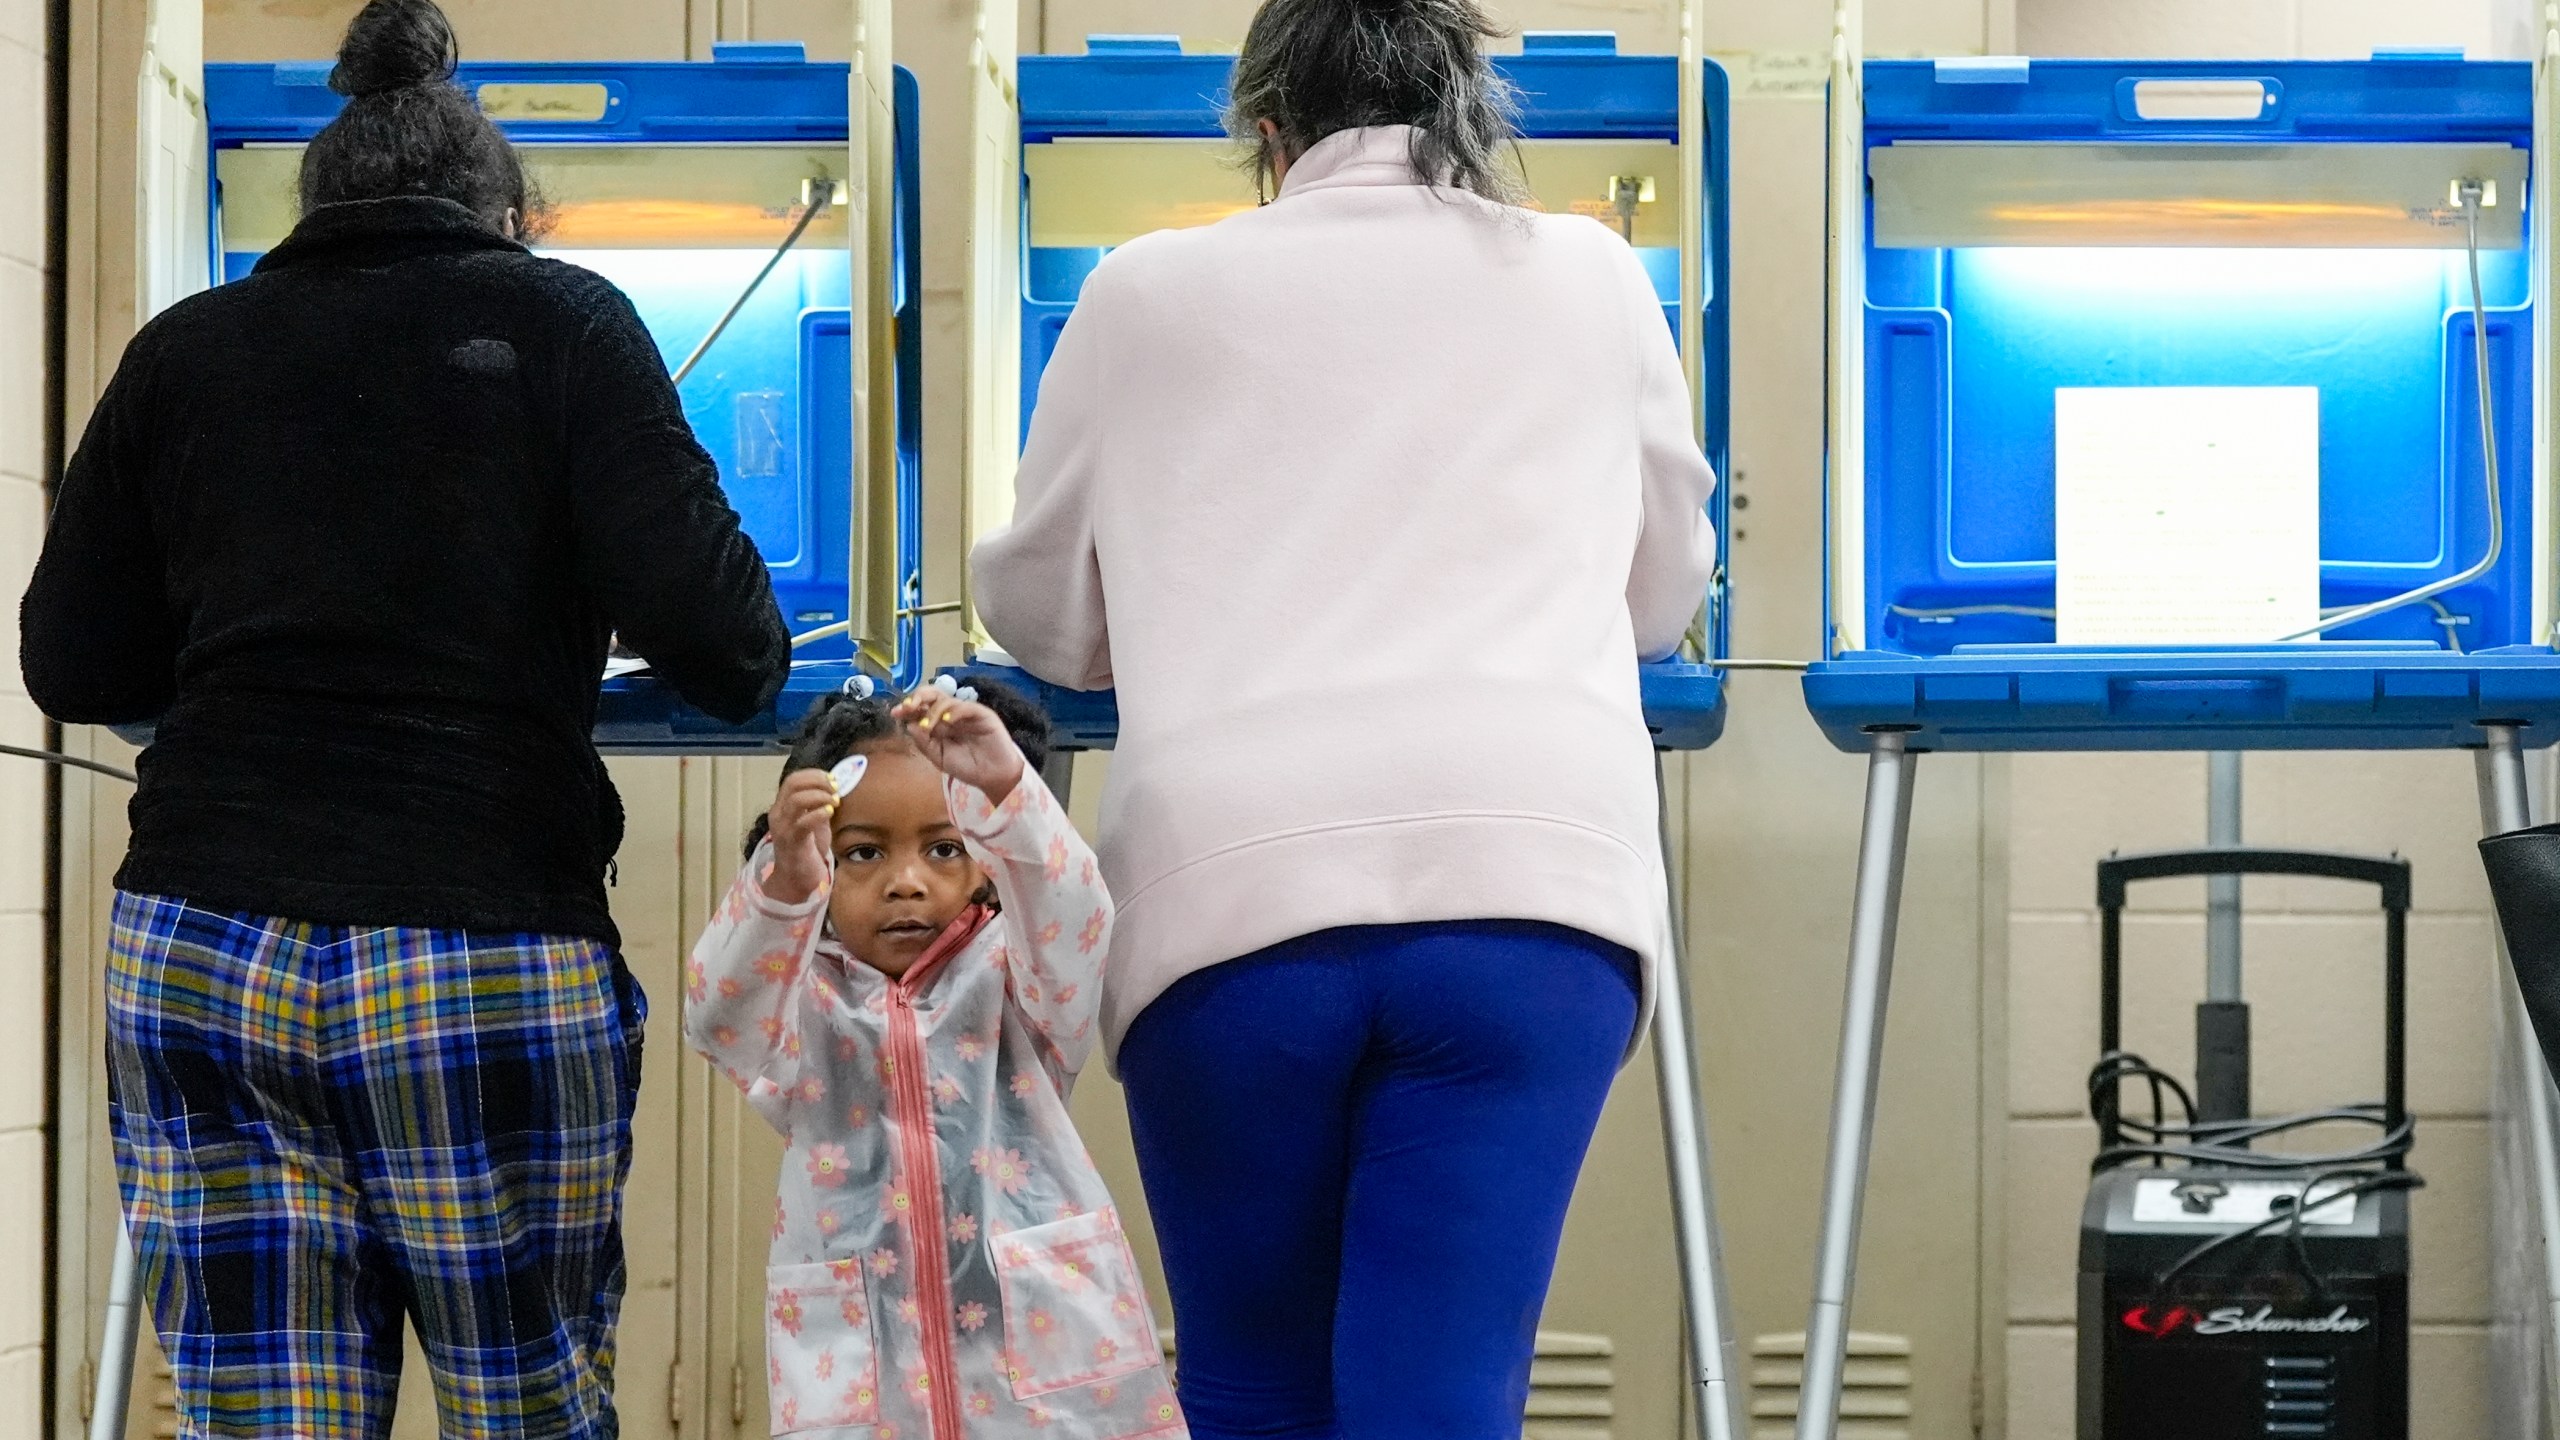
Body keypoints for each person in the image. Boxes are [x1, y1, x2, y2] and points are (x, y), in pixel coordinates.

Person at [19, 1, 788, 1434]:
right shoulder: (562, 321)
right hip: (475, 932)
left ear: (308, 207)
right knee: (522, 1401)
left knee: (265, 1412)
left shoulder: (187, 348)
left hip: (198, 943)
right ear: (510, 213)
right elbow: (731, 643)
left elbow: (69, 662)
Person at [966, 0, 1721, 1433]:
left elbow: (1046, 618)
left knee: (1253, 1375)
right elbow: (1662, 595)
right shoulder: (1592, 272)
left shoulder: (1141, 289)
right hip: (1528, 889)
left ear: (1267, 130)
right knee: (1440, 1390)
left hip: (1230, 896)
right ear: (1469, 112)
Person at [686, 682, 1183, 1440]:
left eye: (943, 847)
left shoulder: (1019, 980)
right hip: (868, 1371)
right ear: (824, 863)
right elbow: (717, 1018)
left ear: (984, 860)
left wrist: (1010, 791)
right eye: (863, 852)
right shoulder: (798, 998)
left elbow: (1076, 908)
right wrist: (779, 884)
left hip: (1043, 1373)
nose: (907, 878)